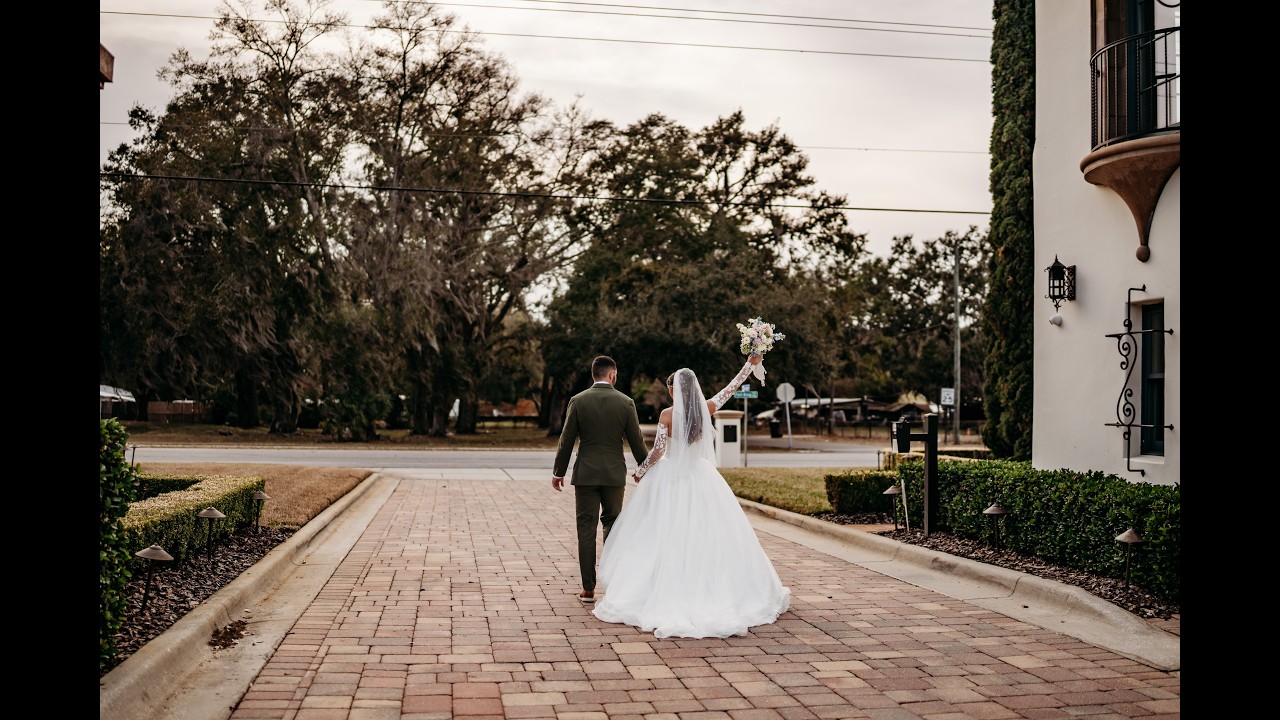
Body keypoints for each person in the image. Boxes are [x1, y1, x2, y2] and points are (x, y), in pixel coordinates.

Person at [591, 355, 792, 638]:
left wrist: (641, 471)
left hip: (670, 479)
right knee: (709, 534)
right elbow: (731, 388)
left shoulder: (666, 415)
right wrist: (749, 364)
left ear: (675, 390)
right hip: (701, 478)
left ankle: (659, 589)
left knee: (659, 534)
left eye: (670, 388)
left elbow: (659, 451)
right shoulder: (706, 408)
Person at [552, 355, 650, 604]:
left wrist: (558, 471)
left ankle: (587, 589)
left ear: (594, 374)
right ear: (612, 374)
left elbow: (567, 439)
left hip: (585, 474)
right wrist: (646, 468)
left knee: (586, 529)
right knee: (613, 526)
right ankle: (614, 584)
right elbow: (636, 441)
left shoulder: (578, 401)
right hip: (614, 474)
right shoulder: (626, 403)